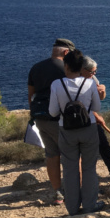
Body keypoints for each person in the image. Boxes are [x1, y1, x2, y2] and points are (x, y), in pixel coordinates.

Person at [48, 49, 104, 215]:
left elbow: (52, 112)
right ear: (81, 67)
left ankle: (72, 207)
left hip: (66, 130)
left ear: (66, 66)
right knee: (89, 168)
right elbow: (96, 107)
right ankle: (89, 205)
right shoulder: (90, 83)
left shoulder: (56, 84)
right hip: (89, 128)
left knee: (70, 169)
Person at [27, 38, 75, 205]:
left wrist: (34, 115)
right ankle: (75, 190)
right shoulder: (66, 68)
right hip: (58, 119)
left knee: (52, 155)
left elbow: (31, 95)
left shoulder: (36, 67)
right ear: (66, 52)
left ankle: (58, 193)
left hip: (40, 118)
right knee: (72, 155)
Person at [80, 56, 110, 183]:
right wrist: (97, 116)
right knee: (86, 152)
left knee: (104, 147)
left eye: (95, 71)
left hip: (93, 119)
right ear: (81, 69)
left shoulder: (92, 78)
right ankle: (86, 181)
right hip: (79, 120)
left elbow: (100, 99)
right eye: (91, 71)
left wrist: (102, 92)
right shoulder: (75, 81)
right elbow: (81, 105)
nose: (94, 74)